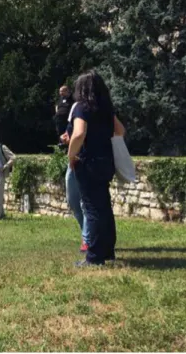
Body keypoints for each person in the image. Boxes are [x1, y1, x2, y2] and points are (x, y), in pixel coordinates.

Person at [68, 70, 125, 267]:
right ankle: (107, 250)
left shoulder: (82, 108)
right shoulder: (105, 109)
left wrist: (71, 155)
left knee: (91, 208)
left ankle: (93, 256)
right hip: (105, 161)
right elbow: (120, 130)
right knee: (104, 207)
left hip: (88, 162)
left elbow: (78, 134)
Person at [60, 101, 90, 253]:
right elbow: (72, 132)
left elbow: (80, 134)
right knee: (73, 201)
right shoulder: (76, 107)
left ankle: (87, 240)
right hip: (73, 161)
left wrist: (72, 154)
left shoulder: (90, 107)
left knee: (86, 203)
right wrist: (66, 137)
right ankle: (87, 235)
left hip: (83, 160)